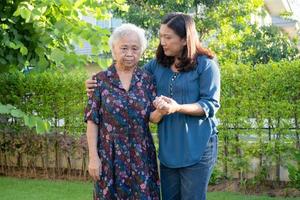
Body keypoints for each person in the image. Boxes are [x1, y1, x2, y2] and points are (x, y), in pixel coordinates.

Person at [86, 13, 220, 200]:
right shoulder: (157, 66)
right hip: (168, 148)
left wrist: (177, 107)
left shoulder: (205, 65)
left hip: (197, 144)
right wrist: (97, 82)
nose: (162, 42)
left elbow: (210, 104)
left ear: (184, 39)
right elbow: (126, 67)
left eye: (168, 37)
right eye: (161, 36)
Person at [84, 23, 161, 200]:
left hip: (141, 154)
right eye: (124, 48)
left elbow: (152, 117)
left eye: (135, 48)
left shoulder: (147, 80)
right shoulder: (100, 81)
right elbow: (92, 121)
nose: (129, 53)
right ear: (113, 49)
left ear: (141, 51)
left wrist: (163, 111)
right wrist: (93, 157)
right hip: (108, 155)